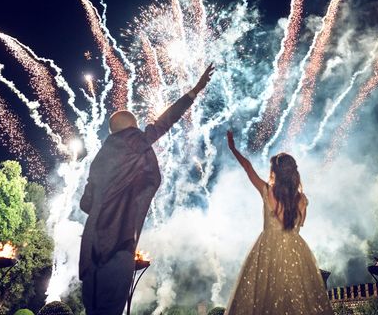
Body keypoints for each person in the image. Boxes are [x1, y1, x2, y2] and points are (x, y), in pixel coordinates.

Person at [78, 64, 215, 315]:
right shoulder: (133, 141)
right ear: (130, 128)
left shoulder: (99, 159)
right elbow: (163, 123)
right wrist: (194, 91)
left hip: (90, 250)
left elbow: (85, 204)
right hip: (117, 246)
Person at [224, 131, 334, 315]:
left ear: (274, 172)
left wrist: (233, 148)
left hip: (267, 250)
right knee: (300, 302)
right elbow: (299, 225)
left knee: (261, 300)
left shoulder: (266, 191)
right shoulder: (302, 199)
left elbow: (248, 167)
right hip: (295, 252)